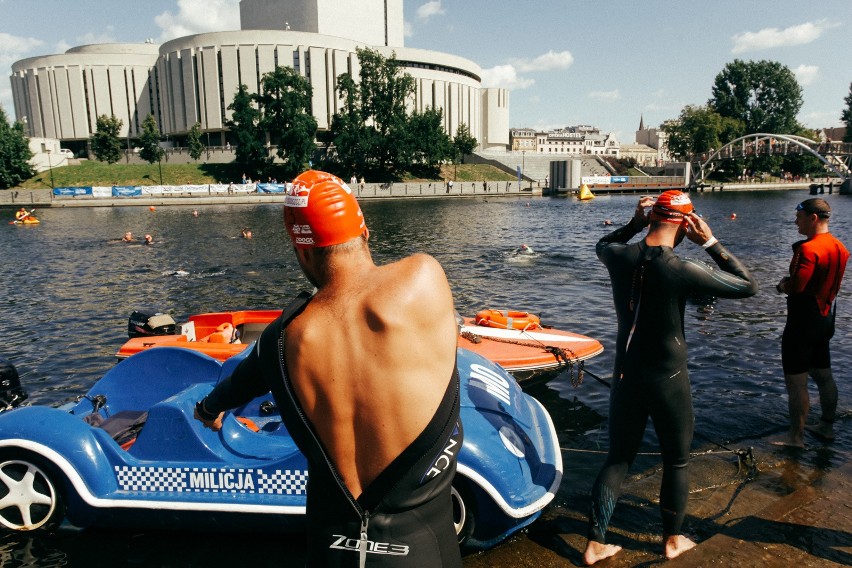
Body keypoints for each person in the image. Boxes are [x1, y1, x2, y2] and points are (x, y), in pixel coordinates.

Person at [193, 170, 462, 566]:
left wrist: (208, 410)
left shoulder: (280, 340)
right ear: (365, 232)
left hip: (328, 547)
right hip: (419, 549)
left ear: (302, 252)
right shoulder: (424, 279)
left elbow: (238, 385)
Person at [584, 191, 757, 565]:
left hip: (626, 374)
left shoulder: (618, 257)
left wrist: (634, 223)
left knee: (617, 458)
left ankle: (595, 543)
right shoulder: (680, 268)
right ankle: (673, 541)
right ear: (685, 224)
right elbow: (747, 285)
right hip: (668, 377)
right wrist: (710, 241)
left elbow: (603, 243)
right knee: (677, 461)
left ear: (652, 217)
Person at [772, 198, 848, 448]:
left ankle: (796, 437)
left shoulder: (809, 249)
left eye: (799, 216)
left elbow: (797, 287)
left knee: (796, 381)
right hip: (825, 317)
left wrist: (782, 285)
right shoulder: (839, 246)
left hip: (802, 322)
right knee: (824, 374)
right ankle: (826, 426)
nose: (796, 221)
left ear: (813, 218)